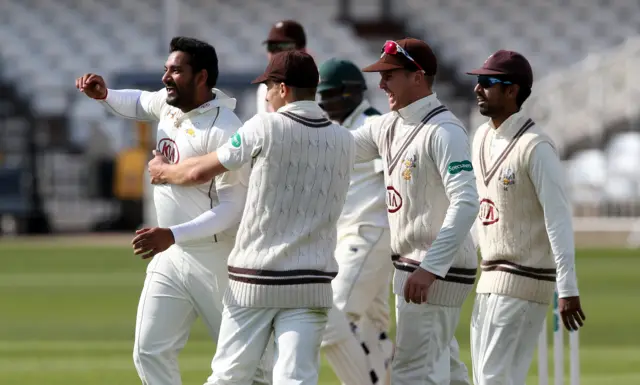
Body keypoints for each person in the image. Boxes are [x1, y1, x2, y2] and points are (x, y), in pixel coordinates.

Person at [147, 50, 355, 385]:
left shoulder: (264, 126)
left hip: (255, 279)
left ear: (283, 88)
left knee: (230, 375)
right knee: (296, 378)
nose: (267, 96)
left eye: (269, 88)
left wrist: (163, 171)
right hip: (313, 283)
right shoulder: (345, 139)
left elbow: (200, 171)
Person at [74, 37, 270, 385]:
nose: (166, 77)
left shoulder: (226, 129)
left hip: (215, 259)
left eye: (176, 70)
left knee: (250, 366)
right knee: (149, 351)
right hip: (171, 255)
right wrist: (104, 94)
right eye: (166, 69)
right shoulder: (168, 104)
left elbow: (232, 208)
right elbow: (137, 101)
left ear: (201, 77)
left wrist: (172, 234)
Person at [351, 38, 479, 385]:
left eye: (390, 75)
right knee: (446, 370)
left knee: (412, 373)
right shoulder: (390, 124)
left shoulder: (445, 131)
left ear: (417, 76)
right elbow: (339, 149)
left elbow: (467, 203)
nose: (381, 84)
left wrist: (430, 268)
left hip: (434, 270)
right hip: (417, 268)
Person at [466, 49, 586, 385]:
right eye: (478, 81)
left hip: (524, 279)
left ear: (512, 90)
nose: (477, 88)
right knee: (490, 379)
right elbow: (480, 210)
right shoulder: (480, 138)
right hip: (488, 279)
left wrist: (568, 287)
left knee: (493, 379)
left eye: (487, 82)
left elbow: (558, 218)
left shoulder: (536, 146)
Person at [317, 58, 394, 385]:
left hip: (371, 233)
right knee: (371, 328)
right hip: (347, 237)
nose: (324, 102)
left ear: (351, 93)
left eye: (331, 93)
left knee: (330, 318)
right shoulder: (336, 129)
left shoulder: (372, 124)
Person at [256, 19, 307, 113]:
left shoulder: (318, 84)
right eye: (272, 47)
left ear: (303, 50)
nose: (276, 54)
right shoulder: (264, 88)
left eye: (284, 47)